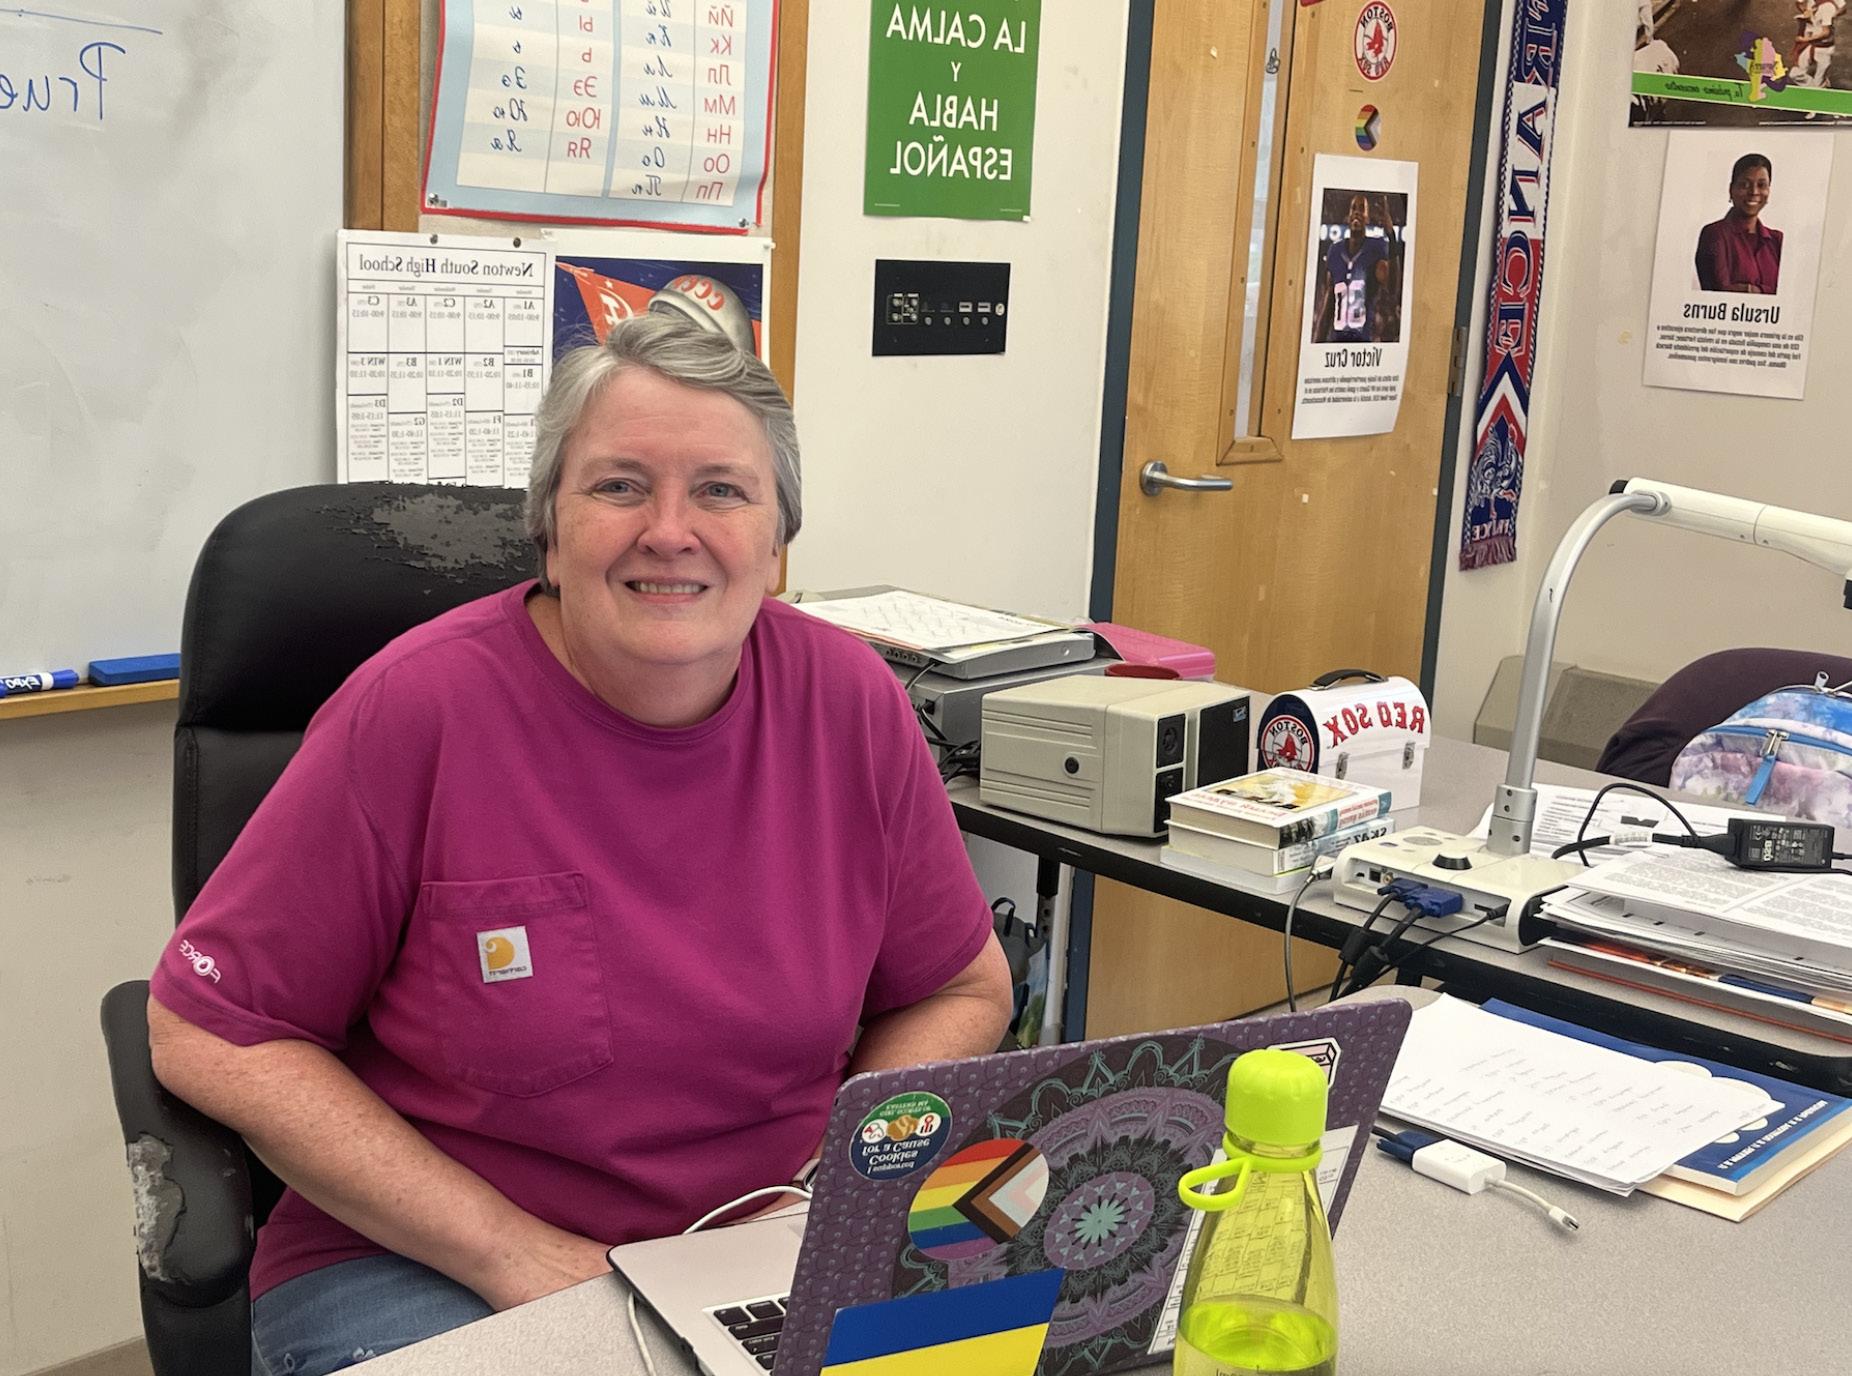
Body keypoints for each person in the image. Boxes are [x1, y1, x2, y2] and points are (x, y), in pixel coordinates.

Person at [146, 315, 1014, 1376]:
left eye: (721, 490)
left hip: (763, 1244)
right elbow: (211, 1031)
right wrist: (513, 1252)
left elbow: (958, 986)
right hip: (429, 1261)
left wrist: (832, 1191)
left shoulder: (851, 703)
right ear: (549, 530)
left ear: (777, 542)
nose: (670, 530)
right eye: (618, 486)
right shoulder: (415, 711)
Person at [1312, 192, 1398, 345]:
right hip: (1336, 345)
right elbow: (1328, 307)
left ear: (1367, 218)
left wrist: (1391, 235)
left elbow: (1392, 287)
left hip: (1362, 346)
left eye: (1362, 208)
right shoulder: (1335, 251)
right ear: (1348, 216)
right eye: (1354, 208)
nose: (1357, 212)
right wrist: (1316, 343)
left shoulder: (1376, 248)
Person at [1694, 154, 1782, 294]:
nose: (1754, 192)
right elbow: (1721, 291)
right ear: (1731, 190)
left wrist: (1749, 289)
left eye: (1761, 185)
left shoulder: (1777, 240)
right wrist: (1767, 291)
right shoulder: (1714, 234)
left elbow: (1789, 294)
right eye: (1744, 185)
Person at [1793, 0, 1843, 89]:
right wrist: (1805, 14)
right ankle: (1819, 86)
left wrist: (1805, 39)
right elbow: (1799, 3)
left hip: (1824, 49)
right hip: (1811, 46)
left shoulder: (1827, 6)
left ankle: (1818, 87)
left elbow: (1826, 32)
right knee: (1795, 74)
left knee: (1818, 82)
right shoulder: (1810, 3)